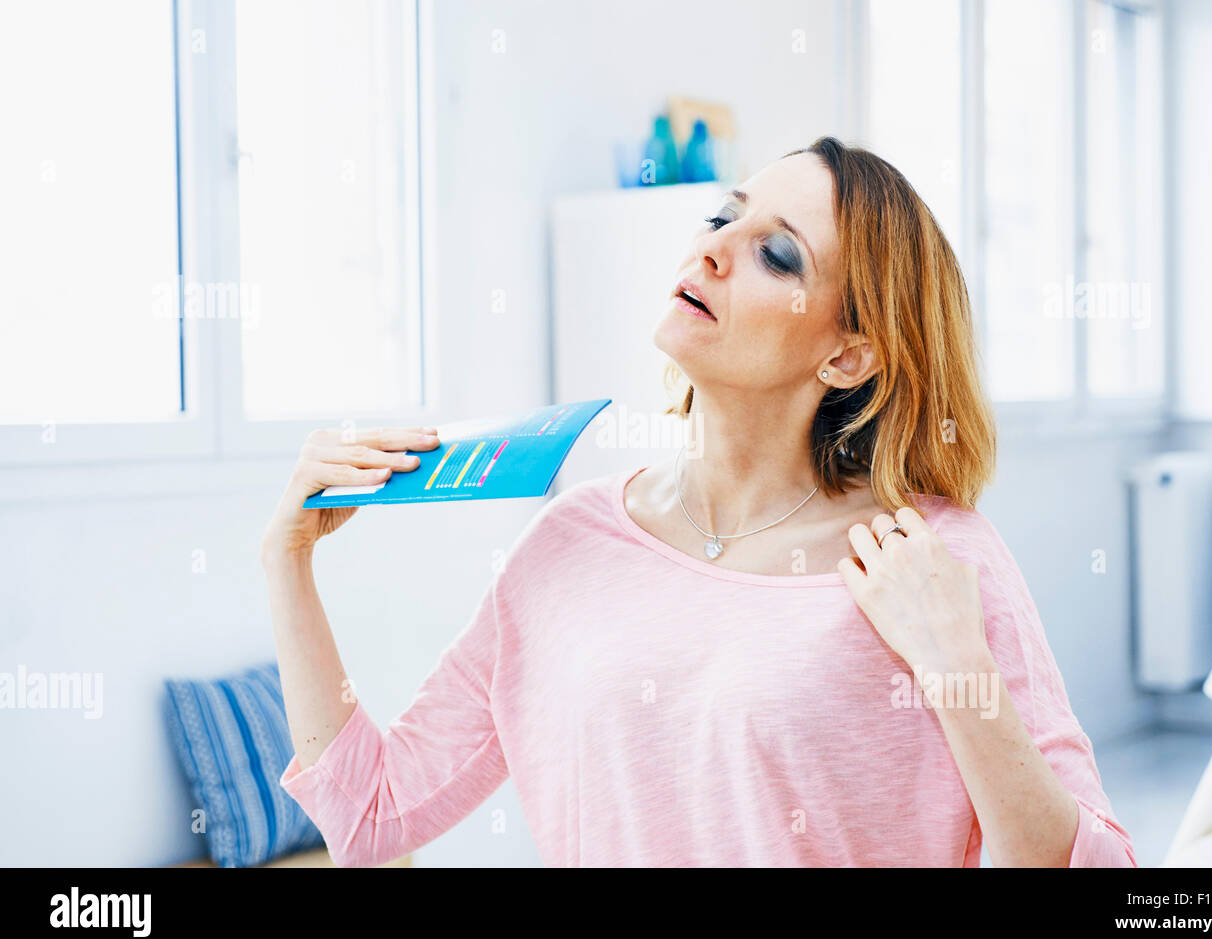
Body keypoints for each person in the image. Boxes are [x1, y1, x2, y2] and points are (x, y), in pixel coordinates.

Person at [261, 136, 1137, 867]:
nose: (712, 248)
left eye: (776, 252)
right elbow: (371, 813)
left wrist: (958, 667)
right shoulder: (568, 542)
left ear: (847, 356)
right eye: (724, 216)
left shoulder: (930, 559)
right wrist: (288, 559)